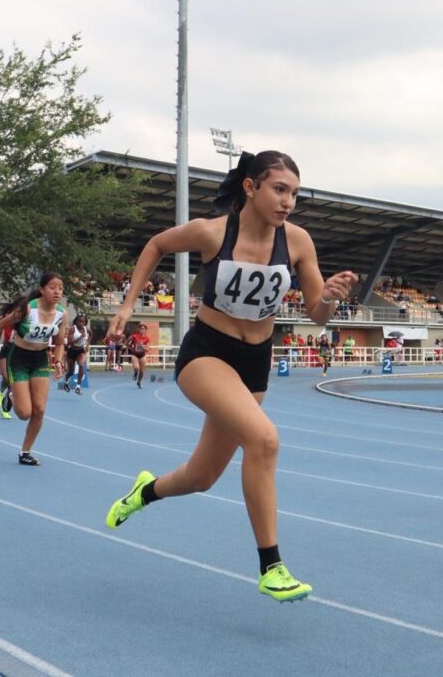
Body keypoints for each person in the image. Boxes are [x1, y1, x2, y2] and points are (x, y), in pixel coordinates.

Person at [103, 150, 358, 602]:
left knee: (202, 476)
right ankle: (272, 566)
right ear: (251, 188)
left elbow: (317, 315)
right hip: (207, 353)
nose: (288, 202)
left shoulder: (298, 241)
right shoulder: (213, 232)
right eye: (279, 190)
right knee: (265, 440)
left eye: (294, 194)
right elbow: (157, 244)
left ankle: (145, 491)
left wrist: (331, 298)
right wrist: (126, 306)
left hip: (254, 361)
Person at [0, 272, 68, 465]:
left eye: (60, 288)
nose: (57, 292)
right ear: (42, 289)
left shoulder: (62, 314)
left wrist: (58, 362)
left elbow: (59, 343)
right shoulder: (26, 309)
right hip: (19, 358)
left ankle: (25, 452)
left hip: (40, 359)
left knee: (39, 410)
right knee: (24, 413)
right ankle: (11, 395)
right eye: (52, 287)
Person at [64, 314, 90, 394]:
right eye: (79, 321)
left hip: (80, 350)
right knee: (71, 372)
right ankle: (66, 382)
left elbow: (91, 335)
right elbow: (69, 343)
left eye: (83, 322)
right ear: (76, 321)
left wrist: (87, 344)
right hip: (72, 351)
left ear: (85, 322)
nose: (81, 323)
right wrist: (80, 337)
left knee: (81, 365)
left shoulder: (86, 329)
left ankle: (78, 386)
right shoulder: (72, 329)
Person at [126, 323, 152, 388]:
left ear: (145, 330)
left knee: (142, 371)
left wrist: (142, 346)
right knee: (136, 368)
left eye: (143, 329)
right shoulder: (134, 336)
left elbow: (147, 349)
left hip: (142, 355)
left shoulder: (147, 338)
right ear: (138, 330)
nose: (142, 330)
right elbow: (127, 344)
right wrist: (131, 349)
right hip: (135, 354)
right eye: (141, 329)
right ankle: (135, 373)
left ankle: (139, 382)